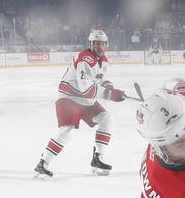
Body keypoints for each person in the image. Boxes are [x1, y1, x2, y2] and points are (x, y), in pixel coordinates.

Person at [33, 29, 125, 178]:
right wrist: (110, 94)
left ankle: (97, 159)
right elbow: (86, 90)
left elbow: (97, 81)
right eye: (96, 44)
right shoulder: (85, 59)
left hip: (85, 100)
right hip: (69, 98)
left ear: (106, 44)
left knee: (107, 119)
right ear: (91, 44)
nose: (100, 47)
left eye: (102, 44)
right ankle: (43, 164)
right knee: (65, 130)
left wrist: (107, 85)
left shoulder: (104, 61)